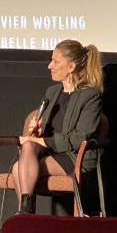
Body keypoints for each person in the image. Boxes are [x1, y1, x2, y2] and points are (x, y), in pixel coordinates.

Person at [12, 39, 104, 214]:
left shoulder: (91, 96)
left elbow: (80, 137)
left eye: (55, 61)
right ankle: (26, 212)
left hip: (75, 157)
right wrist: (39, 131)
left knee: (19, 168)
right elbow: (48, 130)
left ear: (71, 67)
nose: (49, 66)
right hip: (51, 152)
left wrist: (43, 140)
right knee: (28, 147)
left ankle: (25, 215)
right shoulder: (52, 92)